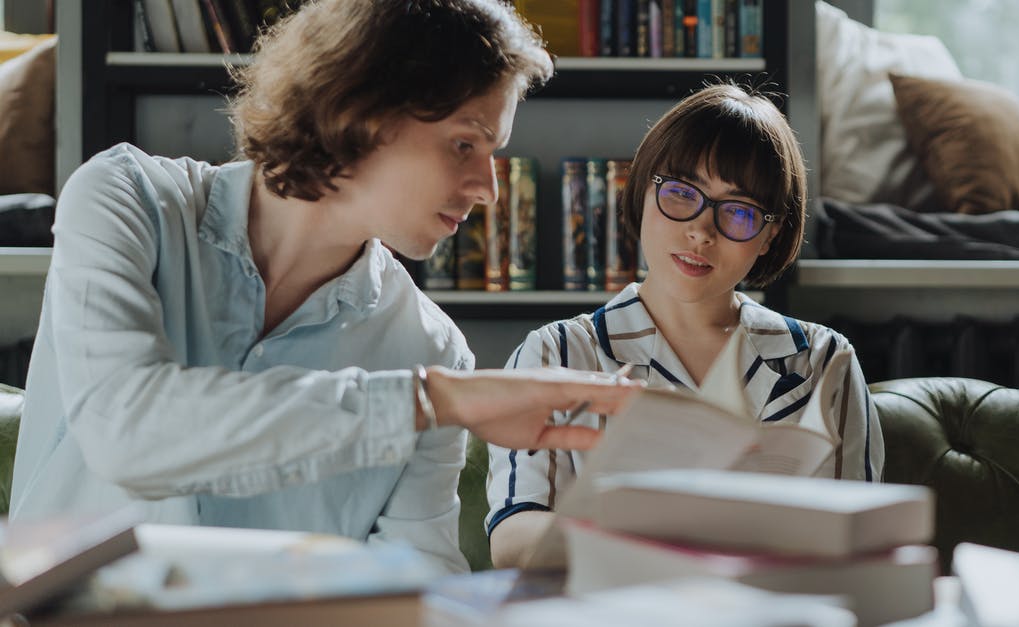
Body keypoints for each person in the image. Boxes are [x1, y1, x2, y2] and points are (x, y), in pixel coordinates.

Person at [9, 0, 638, 575]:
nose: (488, 188)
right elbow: (127, 432)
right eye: (464, 143)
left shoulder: (435, 350)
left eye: (494, 152)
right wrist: (428, 401)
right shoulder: (128, 200)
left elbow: (421, 577)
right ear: (357, 111)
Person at [485, 83, 885, 568]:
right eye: (681, 193)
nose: (700, 231)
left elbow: (858, 541)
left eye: (737, 211)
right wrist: (662, 528)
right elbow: (512, 541)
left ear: (769, 235)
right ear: (643, 190)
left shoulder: (824, 359)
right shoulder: (560, 352)